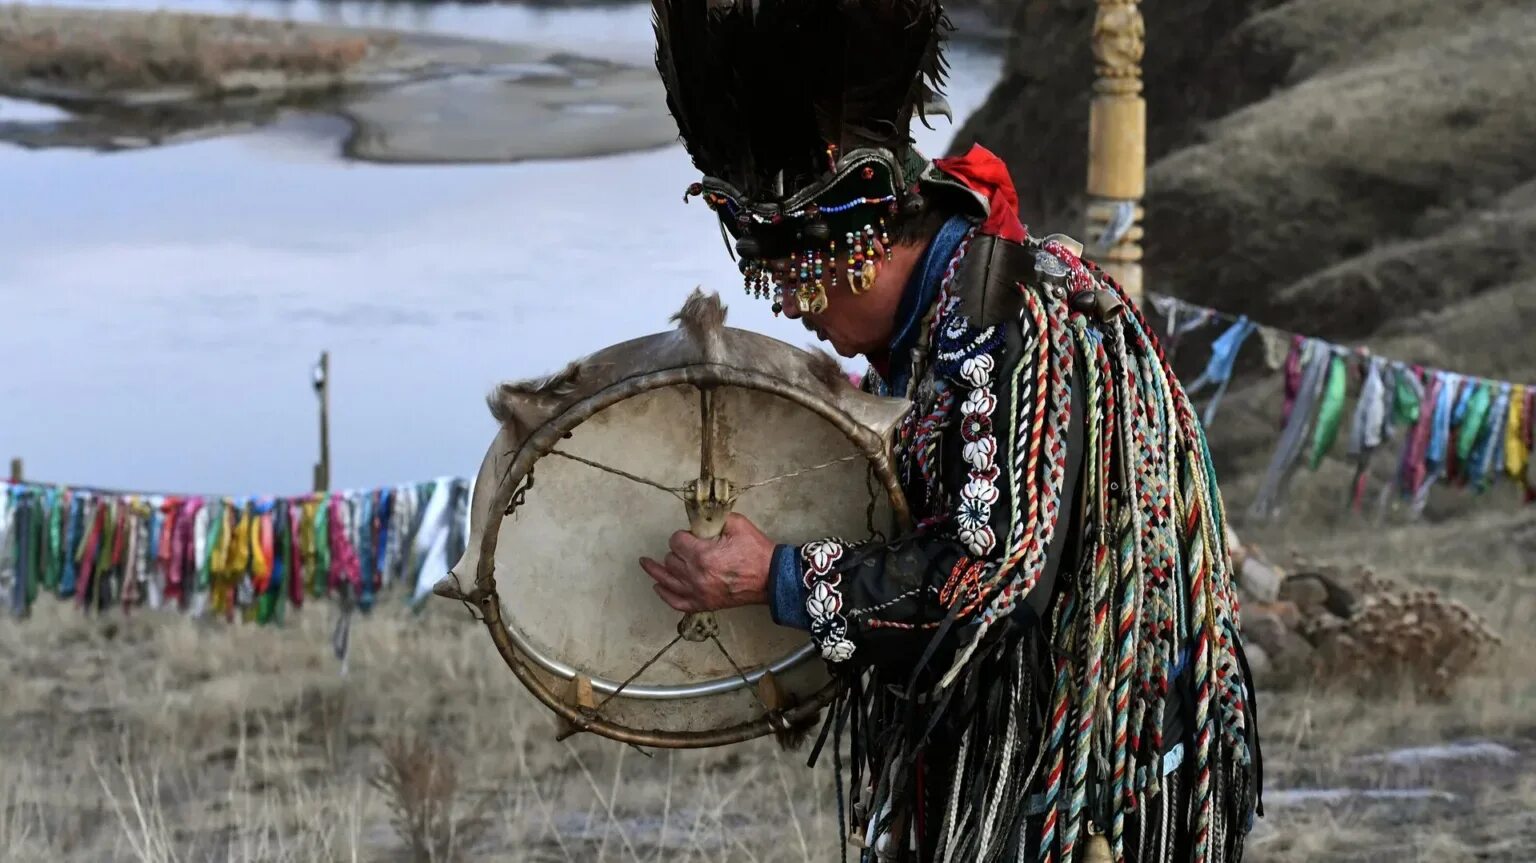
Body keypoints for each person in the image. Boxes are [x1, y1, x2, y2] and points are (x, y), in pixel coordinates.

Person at [640, 2, 1261, 860]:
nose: (788, 305)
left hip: (1090, 787)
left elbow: (992, 584)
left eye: (799, 275)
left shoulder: (998, 321)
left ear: (859, 249)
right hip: (1013, 761)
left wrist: (777, 575)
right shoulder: (935, 327)